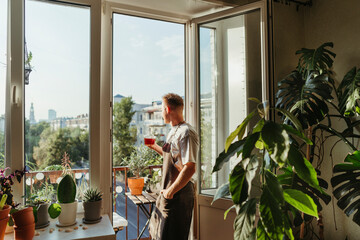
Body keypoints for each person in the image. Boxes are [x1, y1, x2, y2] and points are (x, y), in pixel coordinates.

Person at [145, 93, 199, 240]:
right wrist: (155, 147)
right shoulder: (172, 131)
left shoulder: (187, 133)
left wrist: (170, 191)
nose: (161, 112)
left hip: (178, 195)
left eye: (162, 108)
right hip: (169, 193)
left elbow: (190, 167)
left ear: (168, 109)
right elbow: (173, 159)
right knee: (158, 234)